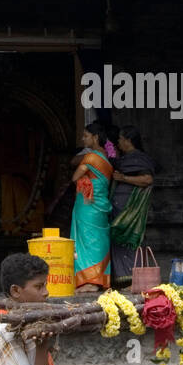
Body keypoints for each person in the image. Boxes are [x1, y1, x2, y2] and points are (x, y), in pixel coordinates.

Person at [109, 126, 155, 286]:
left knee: (128, 239)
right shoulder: (125, 158)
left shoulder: (138, 158)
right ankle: (123, 280)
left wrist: (123, 178)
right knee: (118, 240)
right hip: (119, 208)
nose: (119, 142)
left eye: (121, 139)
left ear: (128, 140)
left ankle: (132, 280)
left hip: (129, 210)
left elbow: (147, 179)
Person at [70, 121, 113, 290]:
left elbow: (75, 178)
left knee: (86, 240)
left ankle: (89, 281)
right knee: (99, 239)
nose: (82, 139)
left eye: (86, 136)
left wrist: (84, 180)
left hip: (88, 206)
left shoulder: (90, 157)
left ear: (95, 138)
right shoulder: (107, 160)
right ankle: (100, 279)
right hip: (101, 205)